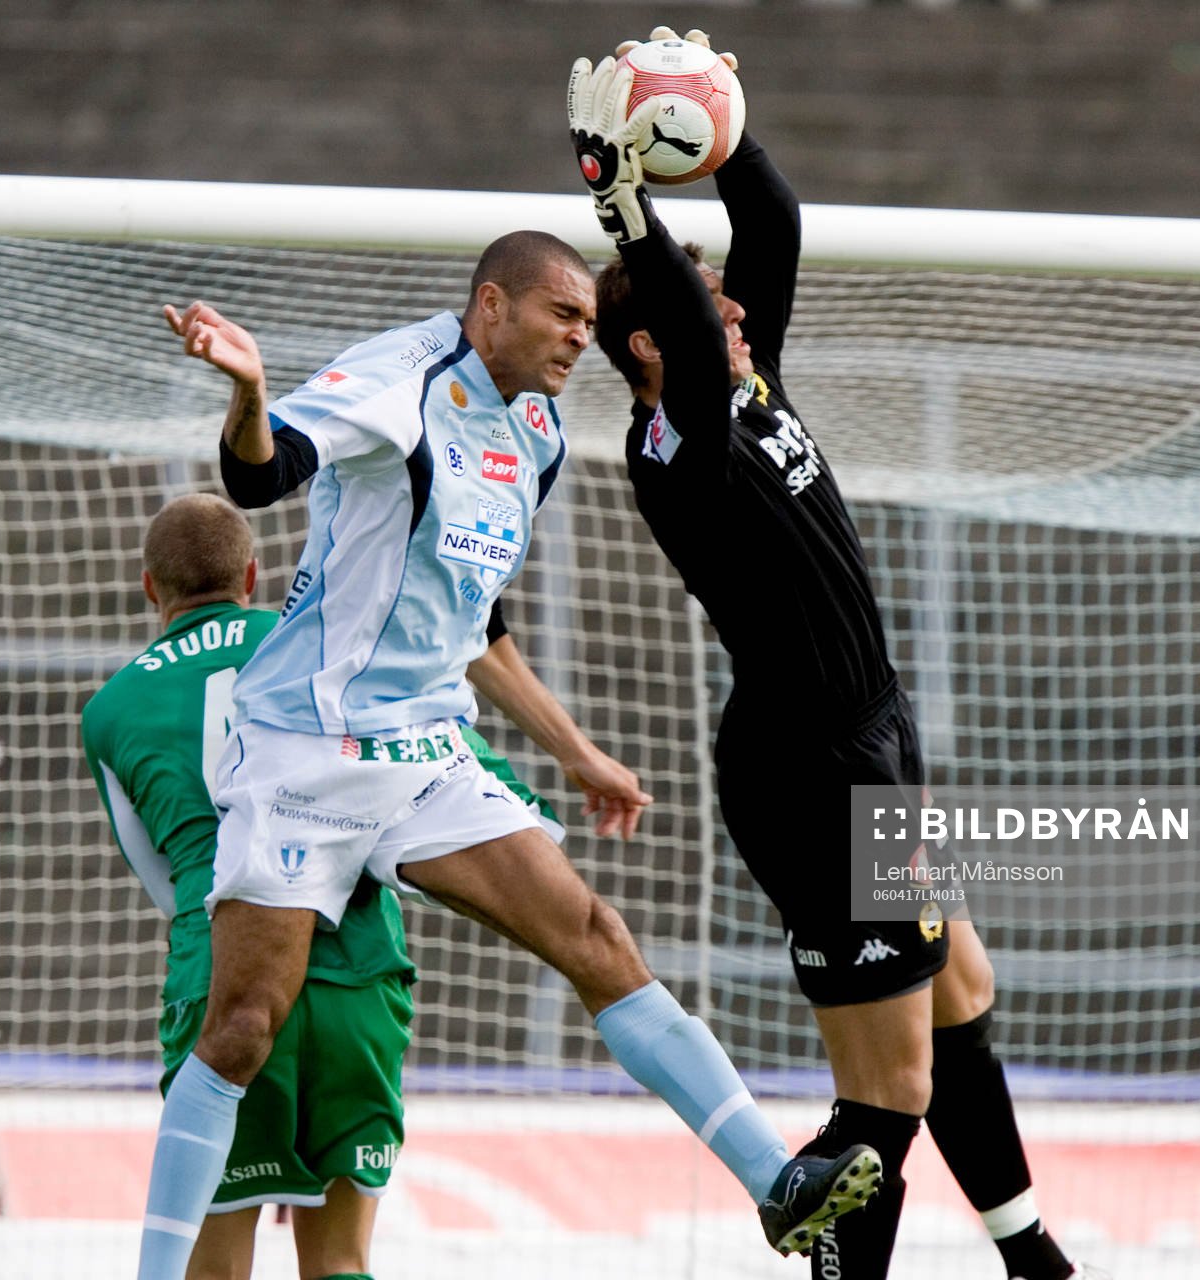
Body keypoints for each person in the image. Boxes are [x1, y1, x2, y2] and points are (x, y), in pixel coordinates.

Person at [134, 230, 881, 1280]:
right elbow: (262, 477)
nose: (582, 339)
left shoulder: (534, 433)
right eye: (563, 317)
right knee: (244, 1027)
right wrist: (249, 391)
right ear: (493, 306)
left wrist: (578, 752)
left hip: (427, 750)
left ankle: (773, 1180)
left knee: (595, 936)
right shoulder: (398, 380)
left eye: (588, 321)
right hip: (305, 750)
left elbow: (473, 624)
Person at [571, 32, 1091, 1280]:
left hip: (870, 732)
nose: (739, 312)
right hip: (808, 769)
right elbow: (696, 330)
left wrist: (730, 137)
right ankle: (827, 1252)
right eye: (711, 308)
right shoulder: (679, 439)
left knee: (960, 986)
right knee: (889, 1087)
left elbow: (778, 228)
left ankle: (1033, 1257)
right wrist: (620, 203)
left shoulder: (749, 387)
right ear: (648, 350)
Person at [83, 493, 417, 1280]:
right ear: (255, 575)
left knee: (215, 1269)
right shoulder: (320, 647)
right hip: (353, 968)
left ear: (148, 588)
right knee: (341, 1258)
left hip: (221, 985)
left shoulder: (110, 709)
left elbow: (165, 884)